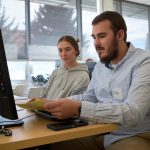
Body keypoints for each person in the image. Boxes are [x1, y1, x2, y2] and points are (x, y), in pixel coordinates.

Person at [39, 11, 150, 150]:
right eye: (94, 37)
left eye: (102, 36)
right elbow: (89, 97)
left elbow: (133, 113)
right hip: (99, 132)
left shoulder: (144, 62)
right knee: (51, 144)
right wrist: (57, 103)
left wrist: (78, 109)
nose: (96, 43)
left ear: (120, 35)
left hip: (133, 135)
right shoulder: (100, 66)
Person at [29, 35, 90, 102]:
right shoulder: (56, 72)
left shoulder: (83, 77)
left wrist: (47, 103)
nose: (63, 54)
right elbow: (44, 94)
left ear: (76, 51)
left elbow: (72, 105)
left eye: (67, 49)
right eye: (60, 50)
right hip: (45, 110)